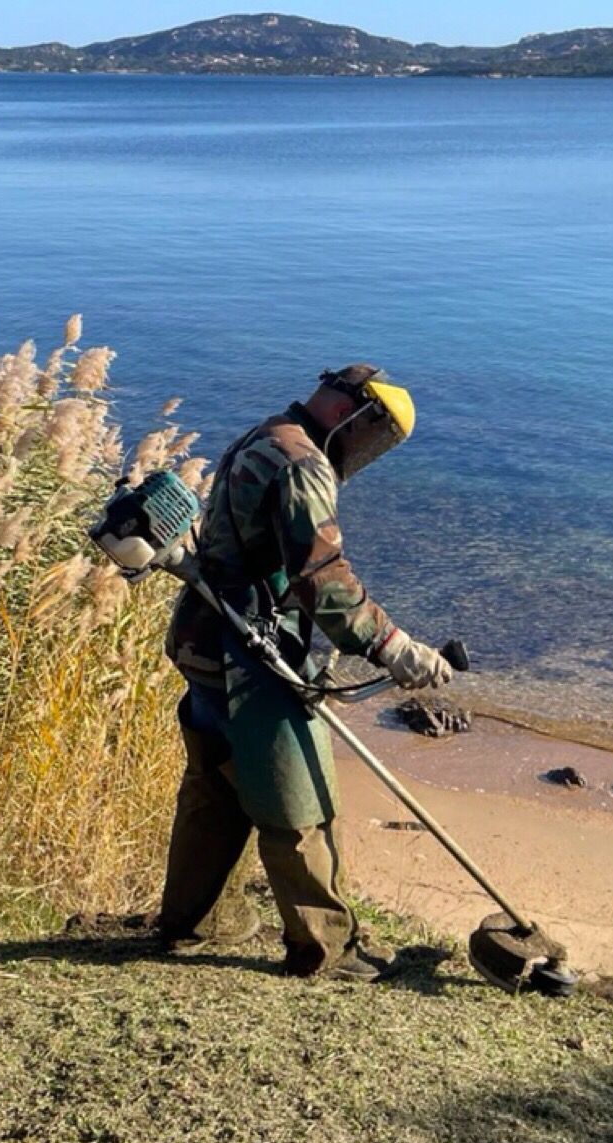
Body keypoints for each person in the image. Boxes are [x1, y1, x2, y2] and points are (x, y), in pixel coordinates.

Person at [156, 364, 455, 981]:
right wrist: (395, 648)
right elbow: (324, 578)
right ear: (354, 417)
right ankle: (326, 950)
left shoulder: (267, 433)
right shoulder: (302, 464)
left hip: (204, 642)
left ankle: (188, 923)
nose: (370, 453)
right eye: (377, 438)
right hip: (249, 656)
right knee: (299, 803)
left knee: (213, 793)